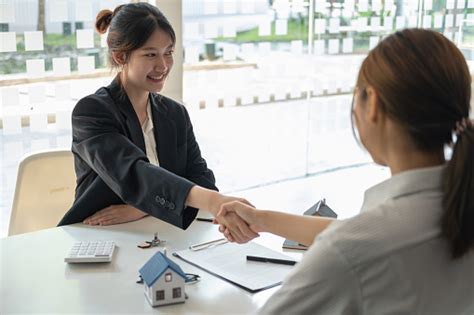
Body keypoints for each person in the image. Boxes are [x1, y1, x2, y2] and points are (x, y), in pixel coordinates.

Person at [217, 29, 474, 314]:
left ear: (372, 103)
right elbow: (355, 233)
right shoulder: (454, 204)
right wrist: (260, 219)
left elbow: (352, 244)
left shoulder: (354, 251)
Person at [58, 2, 258, 243]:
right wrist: (213, 202)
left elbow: (203, 179)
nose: (163, 66)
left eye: (169, 52)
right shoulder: (91, 112)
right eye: (151, 54)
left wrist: (142, 208)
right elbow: (134, 173)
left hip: (160, 233)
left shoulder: (174, 113)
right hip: (100, 237)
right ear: (120, 56)